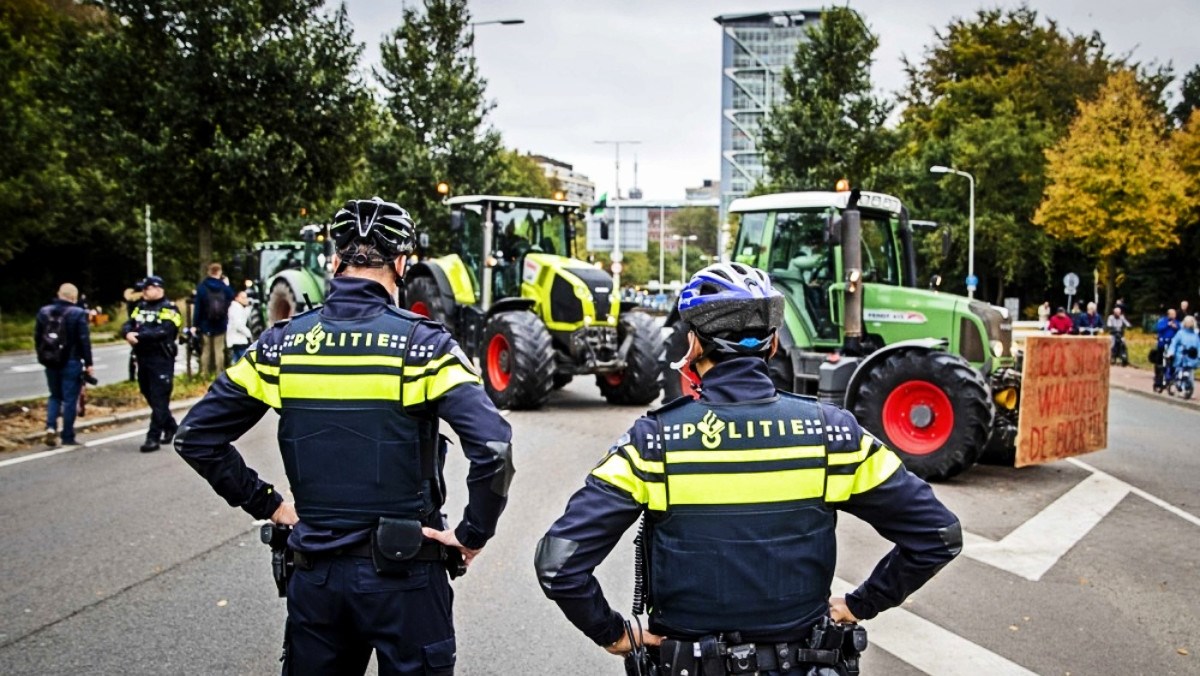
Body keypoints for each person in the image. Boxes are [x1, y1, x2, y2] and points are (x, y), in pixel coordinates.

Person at [535, 262, 961, 675]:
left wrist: (613, 633)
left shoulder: (654, 442)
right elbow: (938, 536)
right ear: (773, 345)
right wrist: (861, 604)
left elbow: (559, 562)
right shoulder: (832, 433)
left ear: (695, 345)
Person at [174, 198, 513, 675]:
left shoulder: (281, 343)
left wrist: (267, 503)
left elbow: (196, 437)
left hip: (316, 580)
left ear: (334, 261)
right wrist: (471, 534)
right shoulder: (424, 346)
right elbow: (494, 449)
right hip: (407, 578)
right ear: (400, 263)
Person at [121, 275, 182, 453]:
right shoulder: (140, 307)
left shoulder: (169, 308)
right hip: (142, 358)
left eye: (147, 289)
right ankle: (171, 426)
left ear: (158, 289)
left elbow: (164, 331)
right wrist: (127, 333)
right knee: (148, 393)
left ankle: (152, 437)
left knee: (159, 397)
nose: (144, 292)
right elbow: (129, 323)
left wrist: (138, 336)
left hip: (161, 358)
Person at [35, 283, 94, 447]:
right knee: (70, 399)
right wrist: (88, 363)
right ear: (74, 297)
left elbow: (38, 337)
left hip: (51, 360)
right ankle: (67, 435)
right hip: (71, 360)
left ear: (58, 294)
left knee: (54, 395)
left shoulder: (44, 312)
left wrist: (42, 356)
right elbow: (84, 340)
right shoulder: (78, 313)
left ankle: (51, 426)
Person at [193, 262, 234, 376]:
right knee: (219, 350)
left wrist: (195, 324)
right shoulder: (223, 287)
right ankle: (219, 372)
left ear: (209, 272)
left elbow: (198, 307)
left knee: (205, 350)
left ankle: (204, 373)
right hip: (221, 323)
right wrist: (227, 284)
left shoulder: (202, 287)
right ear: (219, 272)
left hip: (205, 322)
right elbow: (232, 296)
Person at [1167, 315, 1200, 393]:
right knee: (1179, 371)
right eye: (1188, 322)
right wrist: (1171, 352)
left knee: (1190, 373)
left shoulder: (1195, 335)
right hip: (1180, 356)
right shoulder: (1180, 333)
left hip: (1191, 357)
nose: (1189, 324)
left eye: (1191, 322)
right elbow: (1174, 343)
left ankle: (1188, 388)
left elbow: (1198, 346)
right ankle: (1178, 385)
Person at [1154, 308, 1181, 391]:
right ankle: (1158, 379)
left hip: (1172, 345)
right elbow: (1158, 328)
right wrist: (1168, 325)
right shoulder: (1163, 321)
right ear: (1168, 314)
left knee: (1171, 362)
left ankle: (1170, 378)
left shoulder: (1177, 322)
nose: (1173, 316)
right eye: (1172, 314)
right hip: (1162, 344)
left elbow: (1180, 330)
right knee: (1159, 362)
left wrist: (1175, 327)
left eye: (1174, 314)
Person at [225, 288, 253, 364]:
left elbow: (244, 316)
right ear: (237, 298)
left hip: (239, 339)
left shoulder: (239, 308)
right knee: (242, 361)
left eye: (246, 297)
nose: (245, 299)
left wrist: (248, 307)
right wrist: (249, 334)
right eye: (243, 298)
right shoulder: (235, 308)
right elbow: (239, 325)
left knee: (238, 361)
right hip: (237, 340)